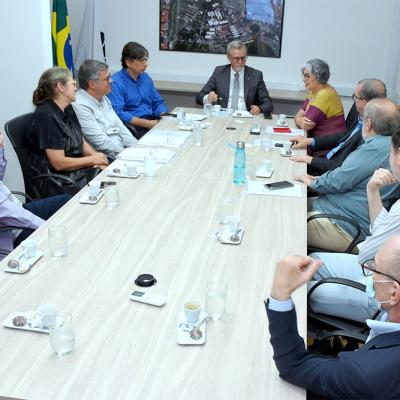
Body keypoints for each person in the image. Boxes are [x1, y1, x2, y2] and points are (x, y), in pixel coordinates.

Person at [266, 235, 400, 399]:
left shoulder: (365, 374)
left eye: (375, 269)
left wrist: (280, 293)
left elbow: (294, 366)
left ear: (393, 293)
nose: (370, 272)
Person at [309, 125, 400, 322]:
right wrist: (372, 190)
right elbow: (379, 230)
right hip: (377, 272)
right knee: (312, 261)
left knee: (303, 289)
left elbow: (366, 256)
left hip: (383, 296)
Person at [295, 98, 400, 252]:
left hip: (343, 225)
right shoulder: (389, 145)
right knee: (291, 203)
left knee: (286, 222)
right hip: (340, 213)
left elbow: (338, 181)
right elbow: (349, 179)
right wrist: (318, 180)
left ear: (368, 124)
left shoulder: (376, 148)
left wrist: (313, 182)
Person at [26, 67, 109, 197]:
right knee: (107, 181)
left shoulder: (67, 107)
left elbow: (79, 140)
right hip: (56, 180)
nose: (76, 88)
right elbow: (58, 163)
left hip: (73, 170)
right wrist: (92, 160)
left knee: (108, 168)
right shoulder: (47, 116)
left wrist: (98, 158)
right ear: (60, 87)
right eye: (73, 84)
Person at [290, 79, 387, 174]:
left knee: (291, 166)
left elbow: (344, 169)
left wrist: (310, 159)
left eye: (355, 97)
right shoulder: (360, 113)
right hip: (328, 159)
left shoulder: (371, 133)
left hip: (330, 171)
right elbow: (345, 135)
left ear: (364, 103)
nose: (354, 100)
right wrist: (310, 141)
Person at [0, 131, 70, 255]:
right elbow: (13, 214)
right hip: (11, 232)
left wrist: (0, 149)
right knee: (48, 239)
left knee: (65, 201)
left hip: (17, 209)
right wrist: (49, 229)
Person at [72, 60, 137, 159]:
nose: (111, 81)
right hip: (107, 158)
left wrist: (137, 148)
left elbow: (122, 129)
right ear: (92, 84)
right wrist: (127, 155)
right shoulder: (79, 105)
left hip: (122, 152)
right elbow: (101, 143)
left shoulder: (103, 98)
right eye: (107, 79)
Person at [195, 40, 273, 116]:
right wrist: (208, 98)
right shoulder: (219, 73)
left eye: (243, 58)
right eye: (236, 59)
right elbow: (199, 97)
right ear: (229, 58)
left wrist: (259, 108)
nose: (240, 62)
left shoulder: (256, 75)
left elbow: (268, 103)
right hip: (223, 117)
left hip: (246, 117)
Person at [108, 42, 168, 139]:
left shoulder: (146, 77)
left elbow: (158, 102)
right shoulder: (116, 83)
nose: (146, 64)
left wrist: (162, 114)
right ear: (128, 62)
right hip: (134, 127)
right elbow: (118, 113)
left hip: (153, 121)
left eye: (146, 59)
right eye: (141, 60)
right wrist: (147, 123)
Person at [294, 59, 346, 156]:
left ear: (318, 76)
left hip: (326, 151)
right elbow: (299, 115)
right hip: (316, 143)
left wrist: (299, 119)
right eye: (304, 76)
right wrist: (299, 119)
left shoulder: (324, 94)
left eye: (307, 76)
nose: (303, 79)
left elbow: (306, 126)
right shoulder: (315, 91)